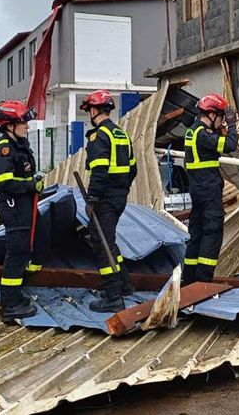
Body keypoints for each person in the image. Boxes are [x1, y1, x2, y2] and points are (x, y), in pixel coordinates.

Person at [81, 90, 137, 312]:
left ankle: (113, 296)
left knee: (102, 244)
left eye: (89, 111)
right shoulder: (121, 134)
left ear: (94, 111)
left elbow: (99, 170)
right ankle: (124, 285)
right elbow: (133, 168)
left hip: (104, 198)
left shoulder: (99, 136)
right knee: (109, 241)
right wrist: (121, 189)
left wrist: (92, 198)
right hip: (119, 196)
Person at [0, 100, 43, 322]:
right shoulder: (5, 148)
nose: (27, 127)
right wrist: (32, 185)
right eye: (23, 123)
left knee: (25, 251)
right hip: (15, 207)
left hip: (24, 205)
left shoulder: (19, 145)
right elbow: (4, 182)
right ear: (10, 124)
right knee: (16, 254)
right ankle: (10, 305)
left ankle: (16, 294)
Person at [182, 93, 239, 284]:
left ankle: (188, 280)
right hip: (208, 191)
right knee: (212, 233)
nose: (222, 120)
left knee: (196, 234)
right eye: (221, 116)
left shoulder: (193, 131)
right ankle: (204, 282)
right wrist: (231, 126)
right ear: (212, 115)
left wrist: (219, 130)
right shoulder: (202, 134)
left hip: (197, 191)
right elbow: (230, 145)